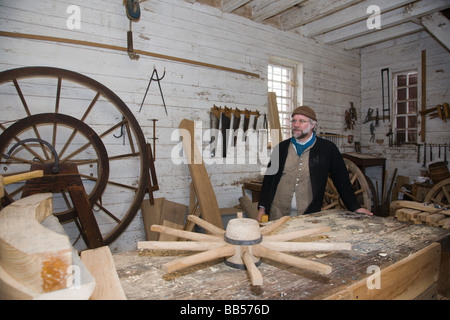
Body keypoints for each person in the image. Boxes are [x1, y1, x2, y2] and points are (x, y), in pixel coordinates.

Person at [257, 105, 372, 221]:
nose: (296, 124)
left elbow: (342, 181)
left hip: (308, 216)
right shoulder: (280, 148)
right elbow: (268, 180)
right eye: (294, 120)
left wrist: (355, 207)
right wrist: (262, 208)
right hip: (278, 214)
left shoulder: (327, 149)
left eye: (301, 121)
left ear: (313, 125)